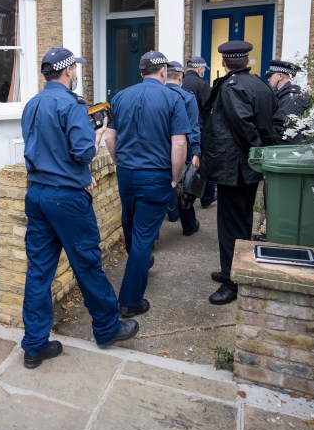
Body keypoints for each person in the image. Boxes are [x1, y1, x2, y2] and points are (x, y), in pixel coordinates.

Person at [20, 47, 138, 368]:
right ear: (68, 71)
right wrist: (97, 131)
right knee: (87, 264)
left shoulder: (31, 105)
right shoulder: (72, 105)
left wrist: (78, 174)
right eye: (75, 69)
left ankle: (34, 345)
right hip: (67, 201)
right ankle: (107, 327)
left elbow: (44, 150)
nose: (76, 73)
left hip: (38, 196)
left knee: (39, 271)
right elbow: (84, 152)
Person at [106, 51, 189, 316]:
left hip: (127, 173)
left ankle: (140, 261)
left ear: (141, 72)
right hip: (155, 175)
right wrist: (175, 177)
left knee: (130, 223)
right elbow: (179, 142)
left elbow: (109, 137)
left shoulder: (120, 97)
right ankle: (130, 301)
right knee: (143, 237)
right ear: (163, 71)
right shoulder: (172, 98)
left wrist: (119, 162)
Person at [200, 41, 279, 305]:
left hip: (235, 167)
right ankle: (234, 269)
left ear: (224, 63)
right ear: (247, 61)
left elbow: (243, 126)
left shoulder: (232, 87)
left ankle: (232, 282)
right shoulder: (260, 84)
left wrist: (255, 154)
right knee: (242, 221)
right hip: (245, 168)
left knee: (231, 226)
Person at [166, 61, 202, 236]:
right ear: (181, 77)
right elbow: (194, 127)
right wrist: (196, 152)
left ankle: (172, 214)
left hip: (161, 149)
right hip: (183, 147)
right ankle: (188, 226)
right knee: (184, 187)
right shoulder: (187, 97)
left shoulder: (160, 94)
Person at [183, 56, 215, 208]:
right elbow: (209, 110)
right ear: (200, 68)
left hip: (177, 132)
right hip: (198, 130)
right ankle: (206, 197)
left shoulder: (178, 81)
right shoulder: (202, 84)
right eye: (203, 69)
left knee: (180, 165)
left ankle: (176, 207)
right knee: (202, 165)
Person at [267, 60, 310, 144]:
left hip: (288, 149)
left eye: (270, 76)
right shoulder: (285, 94)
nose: (268, 79)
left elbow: (283, 124)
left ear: (280, 76)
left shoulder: (293, 96)